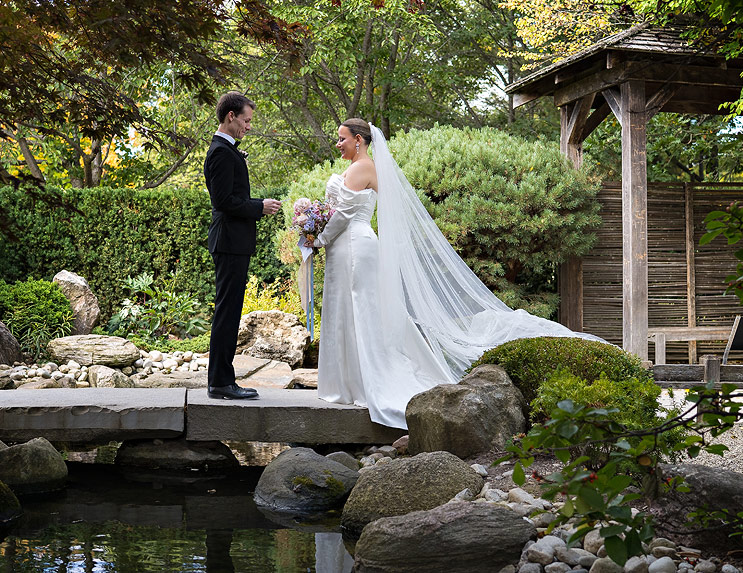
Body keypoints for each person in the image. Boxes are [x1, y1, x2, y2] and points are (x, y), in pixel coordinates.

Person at [309, 118, 599, 428]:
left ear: (358, 140)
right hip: (348, 247)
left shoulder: (361, 167)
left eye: (341, 139)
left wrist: (316, 239)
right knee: (349, 310)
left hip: (352, 246)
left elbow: (341, 216)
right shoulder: (361, 166)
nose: (337, 144)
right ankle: (348, 382)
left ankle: (360, 382)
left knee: (358, 311)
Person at [204, 92, 282, 400]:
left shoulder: (227, 150)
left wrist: (255, 206)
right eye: (246, 120)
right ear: (230, 116)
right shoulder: (221, 152)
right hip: (229, 242)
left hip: (234, 242)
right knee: (227, 312)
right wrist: (258, 206)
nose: (248, 126)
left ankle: (222, 380)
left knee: (230, 310)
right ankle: (221, 382)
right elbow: (222, 202)